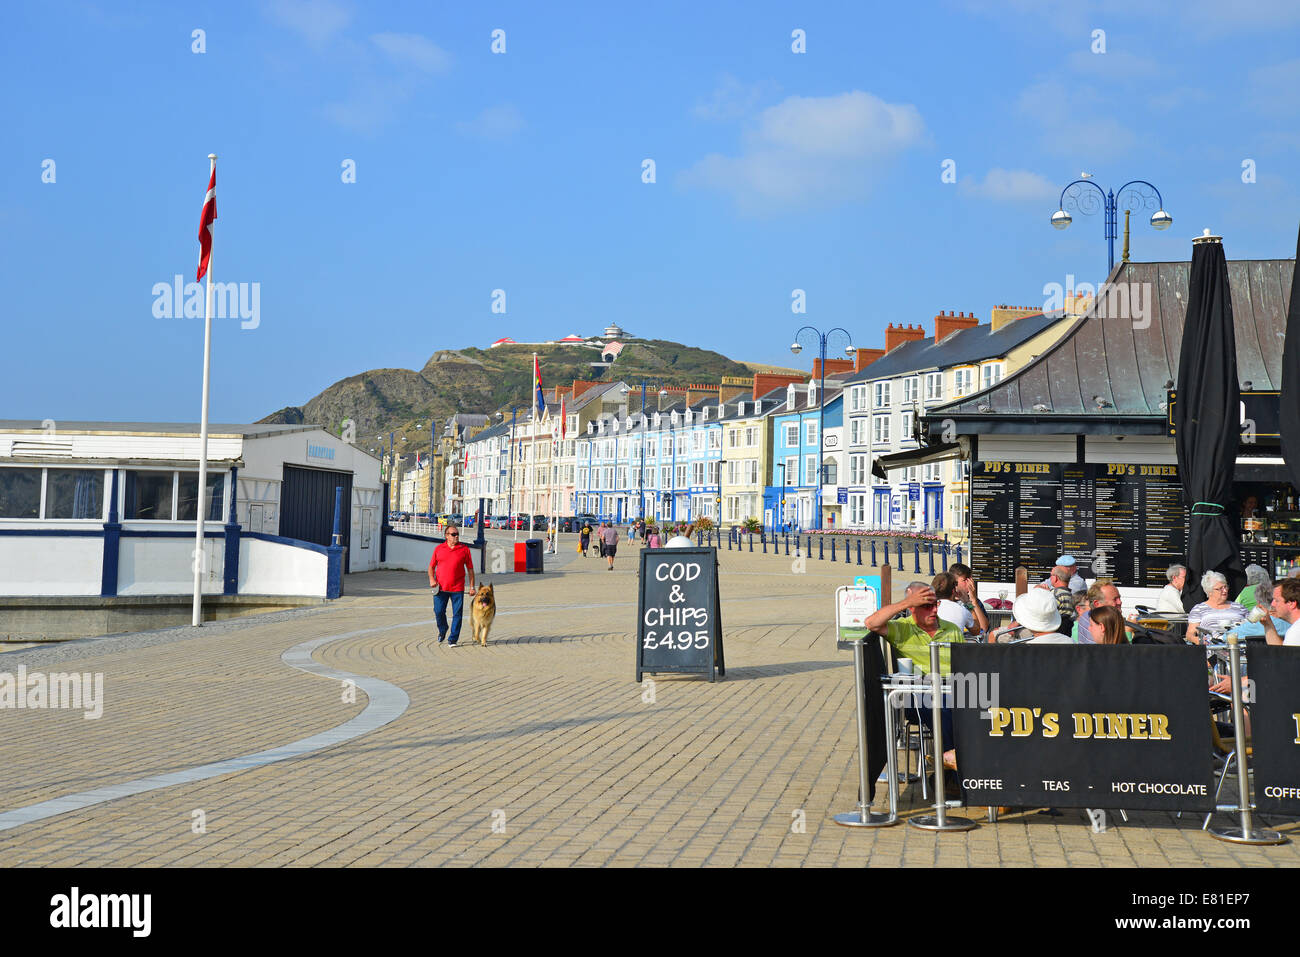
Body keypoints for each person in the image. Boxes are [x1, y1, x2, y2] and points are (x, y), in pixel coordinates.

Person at [863, 581, 965, 769]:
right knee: (941, 708)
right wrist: (905, 602)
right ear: (912, 608)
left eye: (936, 604)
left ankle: (958, 767)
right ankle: (952, 771)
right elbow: (871, 623)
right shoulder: (902, 628)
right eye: (926, 606)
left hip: (952, 690)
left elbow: (965, 665)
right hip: (919, 695)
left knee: (979, 707)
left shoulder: (952, 629)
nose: (934, 610)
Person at [428, 524, 476, 647]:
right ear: (446, 536)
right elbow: (431, 567)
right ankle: (443, 629)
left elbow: (470, 569)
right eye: (453, 534)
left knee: (457, 614)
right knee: (438, 611)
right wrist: (432, 579)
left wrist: (472, 587)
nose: (456, 537)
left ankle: (453, 639)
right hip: (440, 588)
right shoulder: (439, 549)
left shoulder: (464, 549)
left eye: (457, 534)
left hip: (457, 588)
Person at [1185, 571, 1247, 644]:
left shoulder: (1238, 606)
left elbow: (1251, 625)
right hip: (1211, 647)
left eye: (1225, 586)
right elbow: (1190, 634)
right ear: (1209, 591)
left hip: (1239, 645)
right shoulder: (1199, 609)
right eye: (1220, 588)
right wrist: (1199, 641)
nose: (1225, 590)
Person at [933, 571, 988, 639]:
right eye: (965, 580)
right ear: (953, 590)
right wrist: (968, 603)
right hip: (953, 648)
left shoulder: (927, 609)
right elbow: (978, 631)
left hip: (931, 647)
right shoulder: (962, 610)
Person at [1037, 564, 1077, 634]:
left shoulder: (1054, 594)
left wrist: (1046, 596)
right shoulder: (1071, 595)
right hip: (1065, 633)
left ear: (1055, 578)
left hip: (1050, 632)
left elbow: (1044, 614)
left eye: (1051, 575)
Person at [1261, 578, 1300, 646]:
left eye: (1276, 600)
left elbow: (1284, 655)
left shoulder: (1296, 631)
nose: (1272, 604)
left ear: (1292, 603)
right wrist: (1267, 624)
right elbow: (1280, 650)